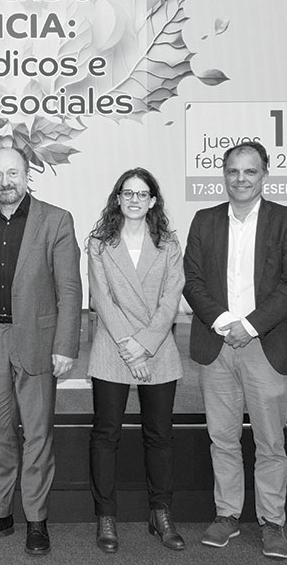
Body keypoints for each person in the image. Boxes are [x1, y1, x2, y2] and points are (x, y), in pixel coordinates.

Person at [183, 141, 287, 560]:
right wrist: (225, 323)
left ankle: (272, 523)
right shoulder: (204, 220)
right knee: (222, 439)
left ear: (264, 175)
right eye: (234, 171)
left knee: (270, 442)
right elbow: (192, 279)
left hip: (266, 345)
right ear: (224, 174)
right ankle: (227, 516)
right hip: (217, 343)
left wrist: (250, 326)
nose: (241, 179)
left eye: (250, 171)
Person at [0, 146, 82, 556]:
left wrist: (65, 346)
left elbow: (69, 288)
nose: (5, 182)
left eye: (12, 173)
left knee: (38, 434)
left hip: (39, 342)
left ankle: (36, 520)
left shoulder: (56, 220)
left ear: (26, 175)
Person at [85, 168, 186, 553]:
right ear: (117, 198)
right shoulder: (98, 243)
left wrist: (144, 345)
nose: (134, 200)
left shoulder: (169, 244)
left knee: (159, 437)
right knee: (105, 436)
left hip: (157, 350)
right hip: (113, 347)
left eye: (142, 194)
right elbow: (101, 299)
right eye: (127, 193)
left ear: (153, 201)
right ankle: (105, 516)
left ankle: (160, 514)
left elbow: (170, 300)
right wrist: (130, 347)